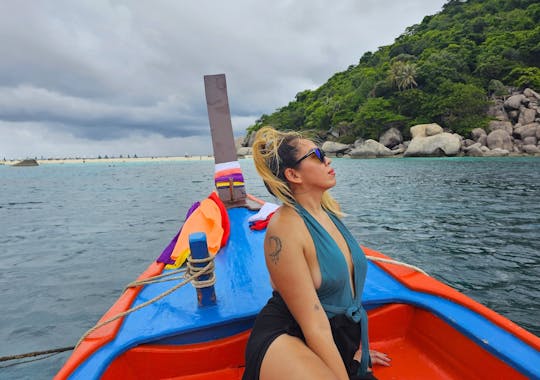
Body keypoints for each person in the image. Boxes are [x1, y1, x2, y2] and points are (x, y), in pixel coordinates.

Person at [242, 127, 391, 380]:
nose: (328, 159)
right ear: (293, 174)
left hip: (335, 334)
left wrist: (354, 350)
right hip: (288, 334)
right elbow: (314, 325)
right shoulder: (285, 229)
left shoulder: (328, 212)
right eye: (317, 155)